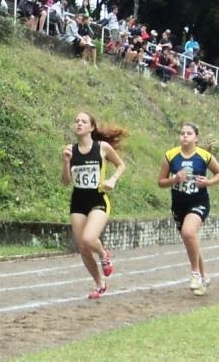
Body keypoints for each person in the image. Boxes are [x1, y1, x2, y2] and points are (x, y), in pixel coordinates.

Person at [61, 111, 127, 299]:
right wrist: (65, 162)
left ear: (91, 127)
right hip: (78, 202)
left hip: (98, 199)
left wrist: (112, 179)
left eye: (83, 121)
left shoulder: (102, 148)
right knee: (83, 247)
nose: (79, 124)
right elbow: (65, 181)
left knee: (89, 239)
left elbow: (121, 165)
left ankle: (104, 254)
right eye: (76, 121)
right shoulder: (70, 150)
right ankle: (99, 284)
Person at [157, 122, 219, 296]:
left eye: (189, 133)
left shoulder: (204, 155)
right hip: (179, 205)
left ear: (196, 137)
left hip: (199, 202)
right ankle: (204, 277)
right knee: (190, 240)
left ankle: (195, 274)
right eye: (182, 133)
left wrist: (208, 182)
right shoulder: (170, 155)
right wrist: (174, 180)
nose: (185, 136)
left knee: (189, 233)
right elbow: (160, 182)